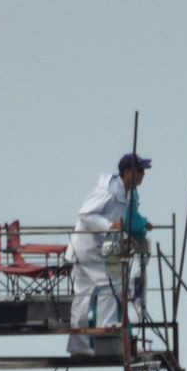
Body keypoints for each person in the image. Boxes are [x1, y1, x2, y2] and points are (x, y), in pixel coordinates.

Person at [68, 150, 150, 351]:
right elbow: (85, 215)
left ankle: (99, 338)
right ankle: (95, 338)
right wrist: (109, 226)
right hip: (88, 250)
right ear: (127, 172)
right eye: (139, 171)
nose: (142, 175)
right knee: (96, 291)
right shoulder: (109, 191)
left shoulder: (127, 193)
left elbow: (118, 222)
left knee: (110, 286)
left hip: (105, 248)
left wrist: (125, 237)